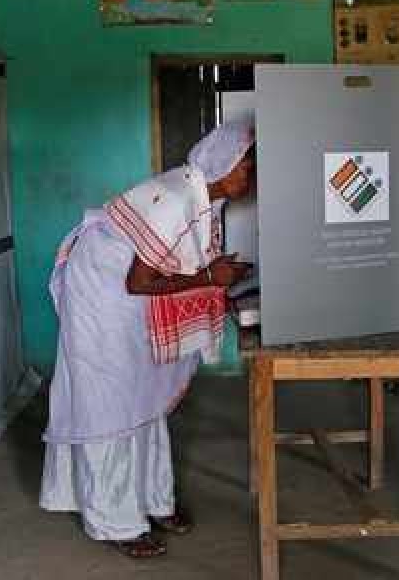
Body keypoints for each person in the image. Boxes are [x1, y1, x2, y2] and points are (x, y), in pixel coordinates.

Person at [39, 117, 255, 558]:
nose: (250, 176)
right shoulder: (176, 198)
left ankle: (155, 501)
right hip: (102, 294)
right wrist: (213, 276)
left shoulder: (204, 199)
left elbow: (181, 263)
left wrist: (218, 281)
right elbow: (139, 281)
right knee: (111, 402)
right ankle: (114, 521)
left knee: (143, 393)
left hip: (125, 292)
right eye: (246, 166)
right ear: (223, 164)